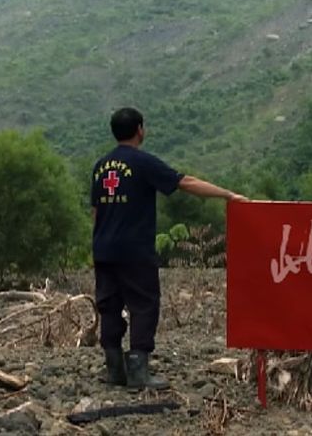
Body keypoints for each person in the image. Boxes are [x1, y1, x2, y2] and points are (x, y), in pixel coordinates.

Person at [90, 106, 248, 391]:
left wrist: (100, 242)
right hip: (134, 250)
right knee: (144, 305)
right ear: (140, 129)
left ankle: (113, 370)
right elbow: (184, 182)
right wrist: (227, 195)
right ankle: (138, 372)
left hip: (103, 248)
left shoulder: (101, 167)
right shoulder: (142, 162)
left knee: (109, 306)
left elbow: (95, 212)